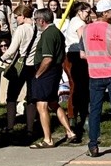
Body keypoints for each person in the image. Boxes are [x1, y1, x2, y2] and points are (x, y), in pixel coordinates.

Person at [81, 0, 111, 157]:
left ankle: (93, 145)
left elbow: (82, 53)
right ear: (106, 13)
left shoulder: (86, 30)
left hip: (95, 74)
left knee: (94, 110)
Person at [28, 8, 75, 148]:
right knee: (53, 103)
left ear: (42, 20)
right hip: (54, 71)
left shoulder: (49, 34)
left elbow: (48, 58)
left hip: (47, 72)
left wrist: (38, 74)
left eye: (36, 20)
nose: (35, 22)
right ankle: (70, 132)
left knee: (41, 105)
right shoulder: (56, 32)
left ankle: (48, 139)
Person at [0, 5, 39, 135]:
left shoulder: (21, 29)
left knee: (11, 97)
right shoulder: (37, 28)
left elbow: (12, 50)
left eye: (17, 16)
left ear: (23, 15)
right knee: (32, 98)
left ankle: (10, 127)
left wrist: (1, 59)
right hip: (34, 65)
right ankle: (30, 129)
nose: (16, 19)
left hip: (20, 65)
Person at [62, 1, 91, 133]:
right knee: (79, 87)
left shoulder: (74, 20)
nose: (89, 14)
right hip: (77, 56)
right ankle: (78, 116)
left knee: (76, 86)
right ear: (79, 12)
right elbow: (82, 40)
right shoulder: (79, 23)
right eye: (87, 12)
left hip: (71, 55)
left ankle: (74, 115)